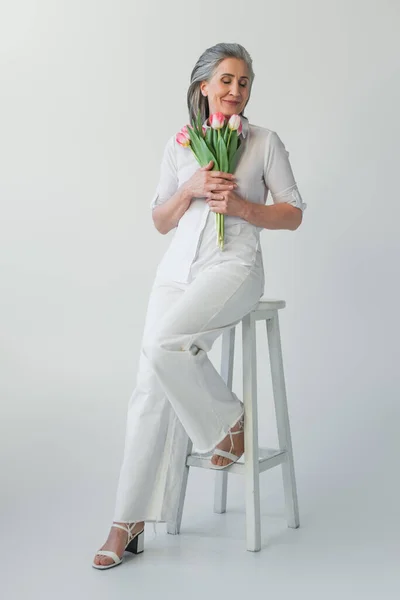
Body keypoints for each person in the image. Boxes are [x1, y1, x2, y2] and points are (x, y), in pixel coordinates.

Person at [92, 42, 307, 569]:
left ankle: (227, 421)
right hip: (176, 271)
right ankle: (129, 520)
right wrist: (189, 188)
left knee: (165, 345)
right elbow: (161, 220)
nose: (237, 91)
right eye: (227, 81)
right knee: (148, 385)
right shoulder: (180, 144)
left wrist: (242, 207)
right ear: (203, 87)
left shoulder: (263, 141)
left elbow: (294, 213)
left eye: (245, 82)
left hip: (234, 267)